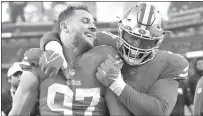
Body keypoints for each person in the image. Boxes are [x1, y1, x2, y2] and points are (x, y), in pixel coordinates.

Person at [39, 3, 189, 115]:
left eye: (146, 41)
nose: (136, 46)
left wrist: (117, 85)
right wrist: (54, 48)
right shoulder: (106, 41)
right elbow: (67, 35)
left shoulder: (172, 63)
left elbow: (158, 111)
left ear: (158, 41)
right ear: (121, 31)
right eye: (132, 37)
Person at [9, 5, 130, 116]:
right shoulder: (40, 61)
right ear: (65, 26)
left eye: (93, 23)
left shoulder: (105, 60)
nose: (94, 27)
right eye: (85, 21)